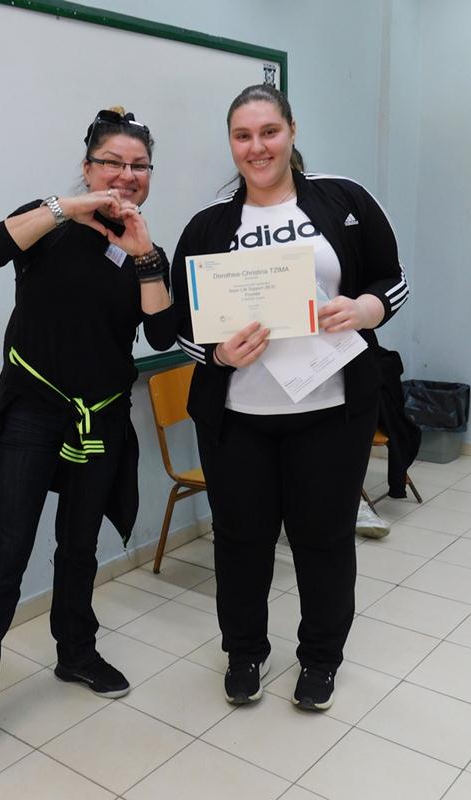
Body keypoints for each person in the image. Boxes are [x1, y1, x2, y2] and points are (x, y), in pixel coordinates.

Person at [0, 107, 175, 777]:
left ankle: (75, 652)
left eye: (139, 166)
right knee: (5, 557)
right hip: (34, 412)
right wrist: (68, 207)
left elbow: (161, 335)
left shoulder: (144, 247)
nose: (126, 176)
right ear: (87, 166)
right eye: (113, 163)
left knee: (79, 547)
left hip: (101, 416)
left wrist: (145, 256)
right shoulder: (46, 222)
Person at [172, 84, 408, 711]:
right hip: (237, 419)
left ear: (292, 131)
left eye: (269, 132)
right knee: (239, 542)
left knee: (323, 540)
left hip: (330, 413)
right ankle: (244, 652)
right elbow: (181, 327)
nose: (257, 147)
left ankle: (321, 658)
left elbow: (394, 279)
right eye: (243, 136)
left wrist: (367, 308)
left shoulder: (344, 200)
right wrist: (219, 355)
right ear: (231, 143)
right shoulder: (208, 226)